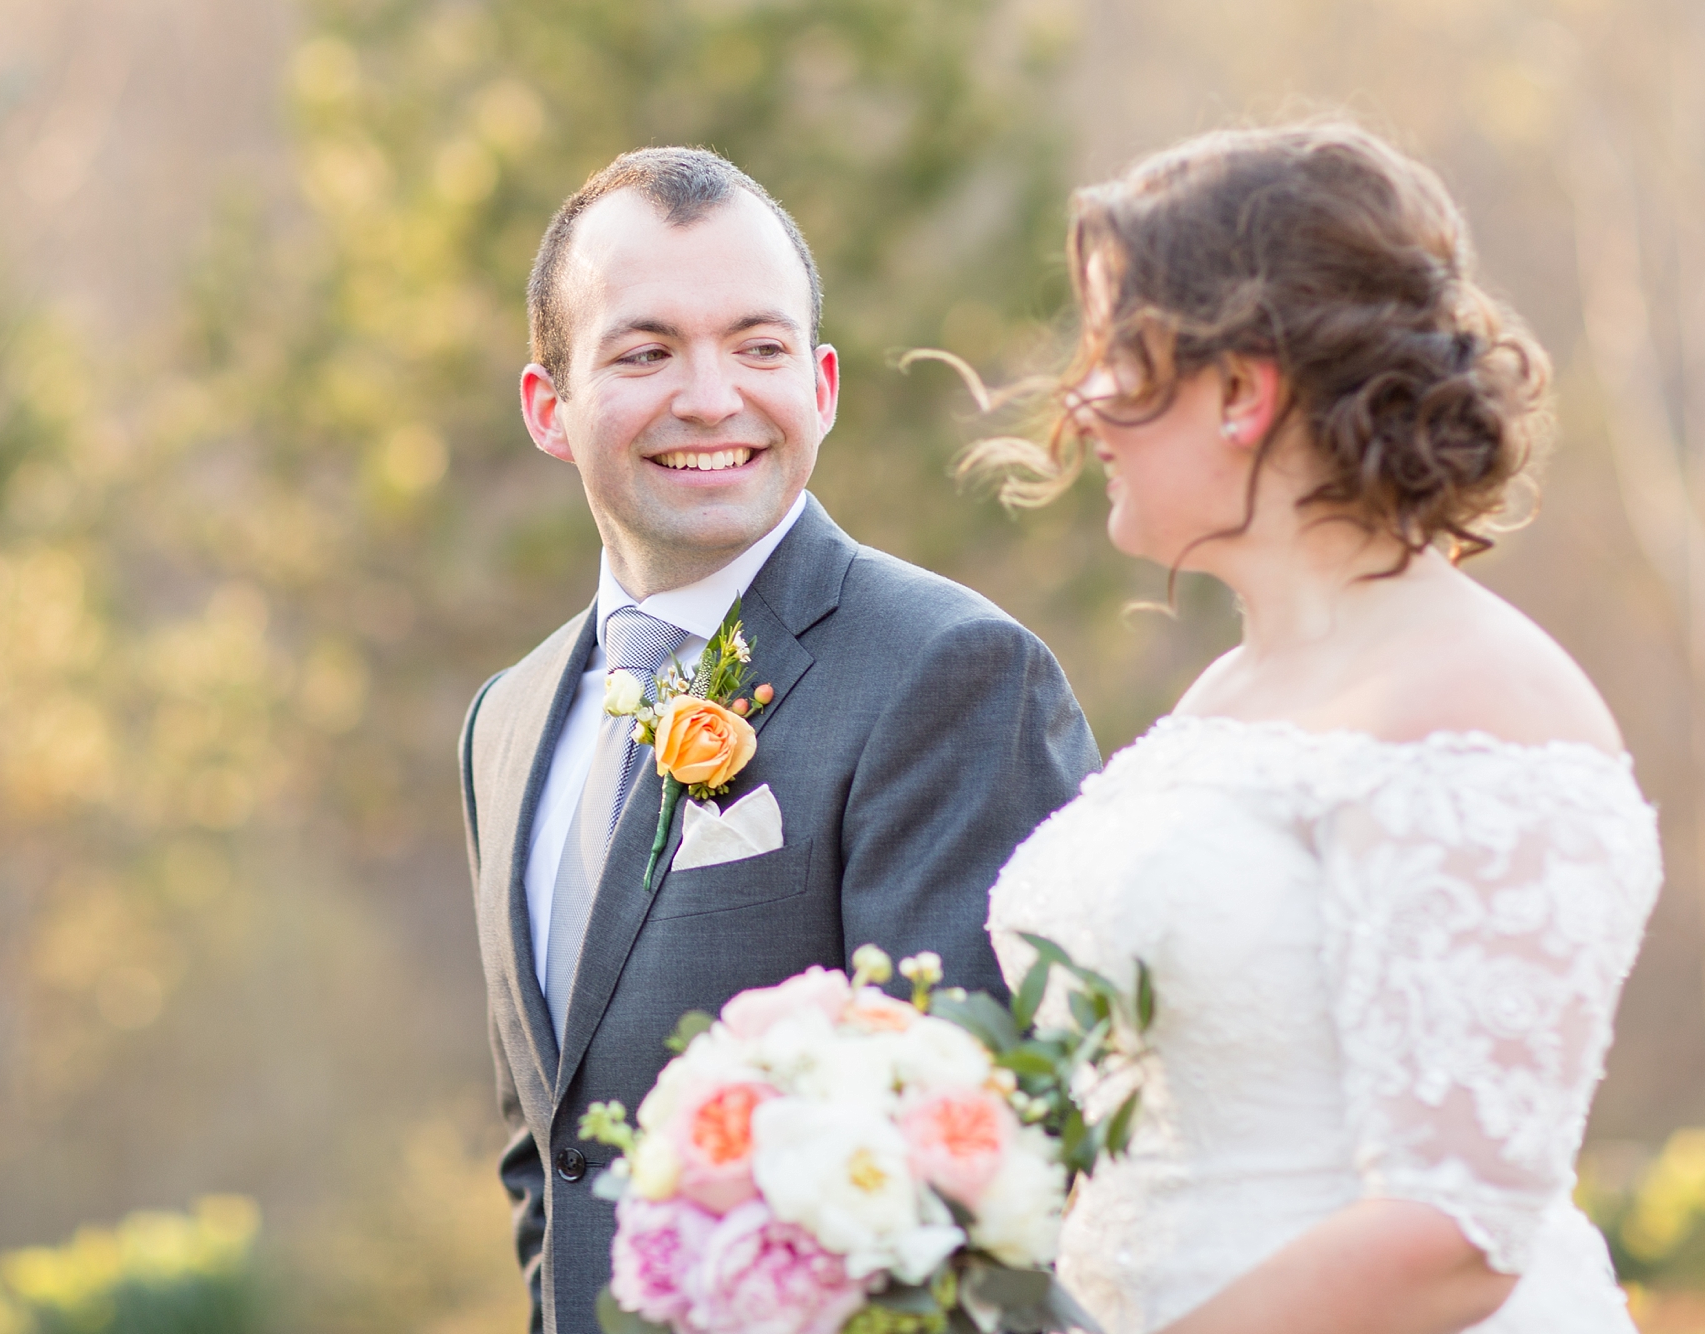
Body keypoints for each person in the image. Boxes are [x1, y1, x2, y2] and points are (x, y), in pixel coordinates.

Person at [985, 121, 1661, 1334]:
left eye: (1115, 355)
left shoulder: (1484, 704)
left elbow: (1456, 1234)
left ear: (1241, 389)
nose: (1079, 404)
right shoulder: (1225, 698)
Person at [458, 147, 1100, 1334]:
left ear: (823, 382)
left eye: (757, 347)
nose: (711, 397)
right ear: (548, 407)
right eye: (646, 352)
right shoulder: (504, 721)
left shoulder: (949, 674)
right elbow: (543, 1155)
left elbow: (976, 1180)